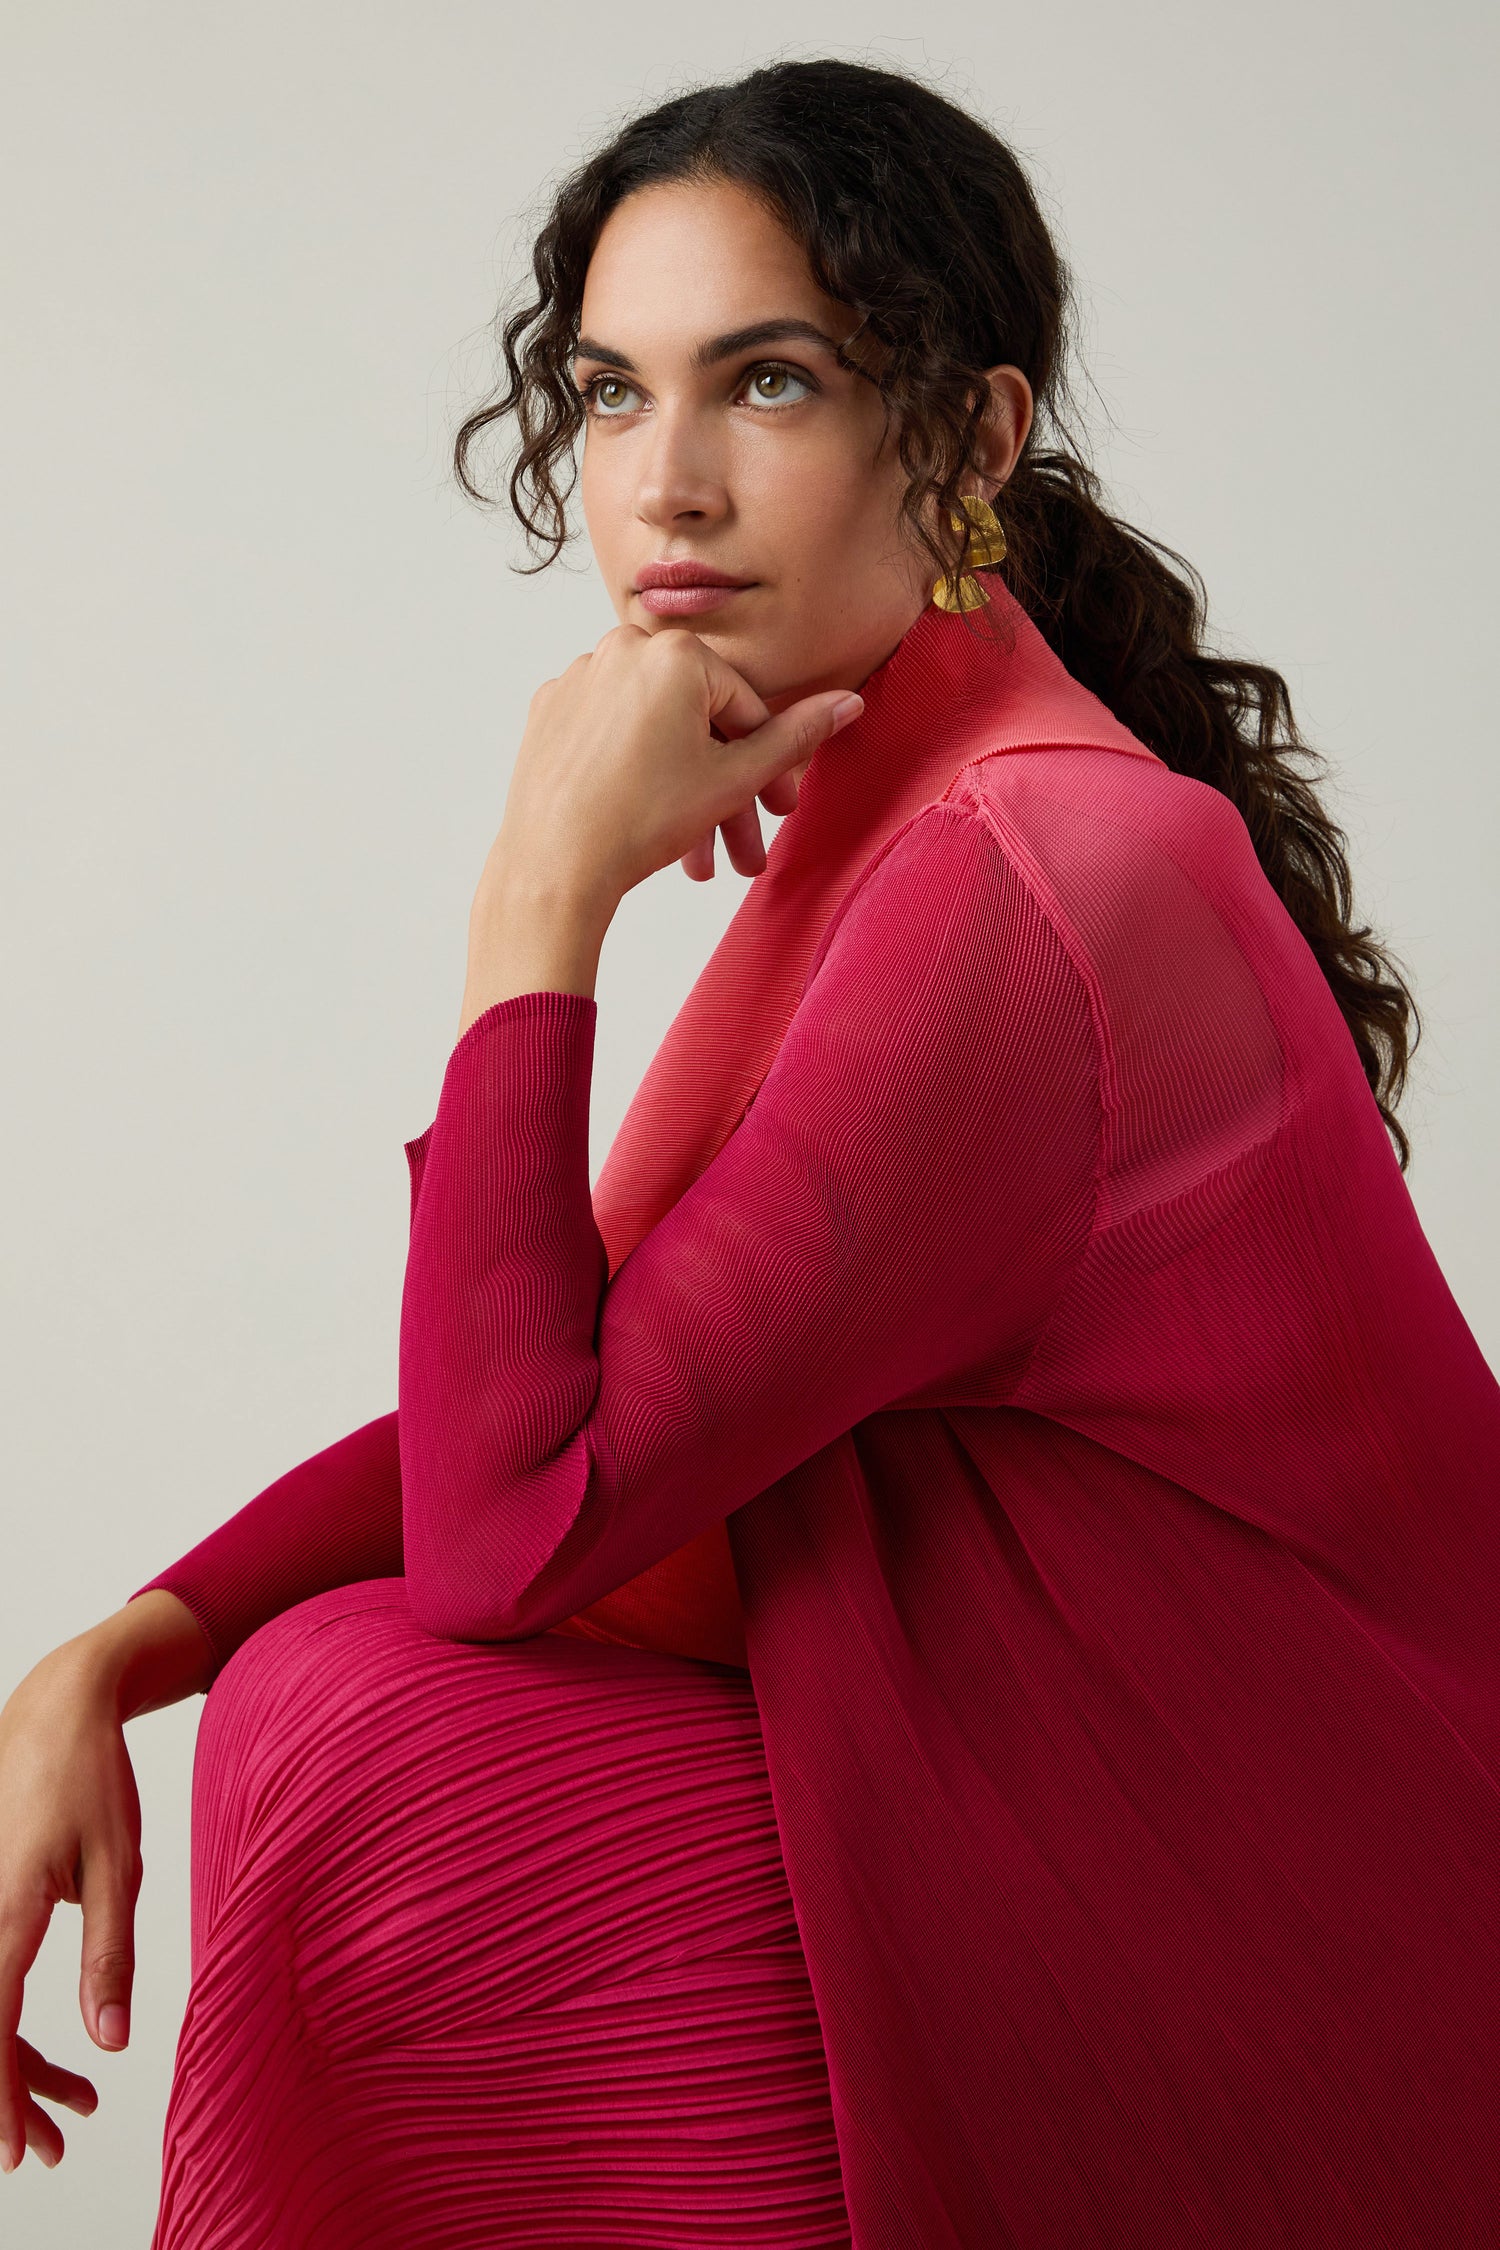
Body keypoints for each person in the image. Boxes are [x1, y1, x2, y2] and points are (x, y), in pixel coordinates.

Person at [3, 54, 1498, 2249]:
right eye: (611, 395)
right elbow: (584, 1402)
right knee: (336, 1693)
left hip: (1289, 1942)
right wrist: (116, 1652)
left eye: (768, 384)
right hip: (1095, 1821)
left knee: (375, 1730)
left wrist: (536, 906)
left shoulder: (1033, 871)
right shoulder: (920, 792)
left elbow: (521, 1521)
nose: (665, 487)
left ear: (973, 439)